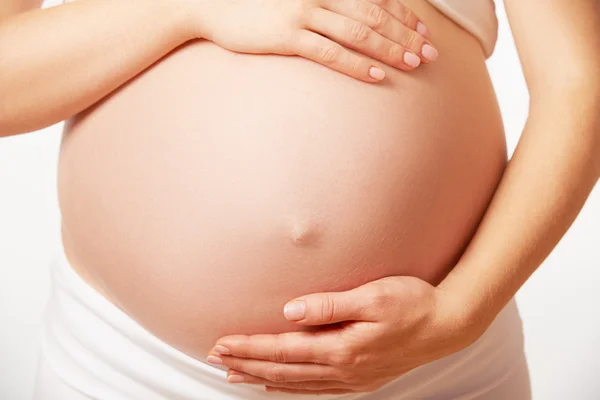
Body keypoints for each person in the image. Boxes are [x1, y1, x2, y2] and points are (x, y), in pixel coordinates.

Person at [1, 0, 598, 399]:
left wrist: (459, 315)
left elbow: (580, 83)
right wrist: (185, 5)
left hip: (437, 367)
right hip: (128, 365)